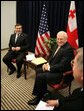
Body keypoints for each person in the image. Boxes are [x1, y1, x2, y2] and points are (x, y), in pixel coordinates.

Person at [28, 31, 74, 105]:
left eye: (61, 39)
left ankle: (39, 97)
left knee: (40, 77)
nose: (59, 41)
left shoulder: (68, 50)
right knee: (38, 70)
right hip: (55, 68)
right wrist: (47, 64)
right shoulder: (57, 45)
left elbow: (62, 66)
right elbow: (52, 57)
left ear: (66, 39)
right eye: (58, 39)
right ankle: (43, 92)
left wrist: (49, 68)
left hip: (61, 74)